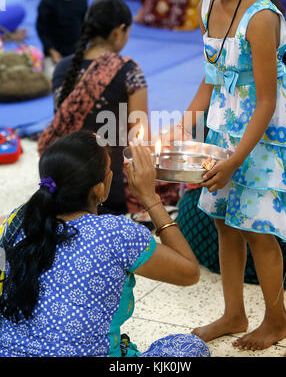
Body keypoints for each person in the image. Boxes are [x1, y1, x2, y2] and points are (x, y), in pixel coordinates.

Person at [171, 0, 286, 350]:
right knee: (226, 222)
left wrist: (235, 160)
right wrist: (182, 127)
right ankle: (233, 313)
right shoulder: (211, 3)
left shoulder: (260, 17)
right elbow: (210, 78)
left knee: (258, 228)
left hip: (264, 133)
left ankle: (278, 320)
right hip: (226, 125)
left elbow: (266, 102)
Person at [0, 131, 210, 357]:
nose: (113, 172)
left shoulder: (20, 221)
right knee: (190, 347)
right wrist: (150, 199)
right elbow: (189, 272)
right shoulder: (116, 233)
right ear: (99, 189)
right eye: (110, 168)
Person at [38, 0, 148, 217]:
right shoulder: (129, 70)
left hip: (64, 181)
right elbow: (139, 138)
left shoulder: (62, 68)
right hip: (109, 187)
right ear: (119, 31)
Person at [36, 0, 88, 77]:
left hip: (76, 53)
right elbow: (42, 30)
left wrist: (83, 50)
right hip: (55, 54)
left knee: (90, 75)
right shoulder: (47, 2)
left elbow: (86, 26)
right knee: (51, 77)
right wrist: (52, 51)